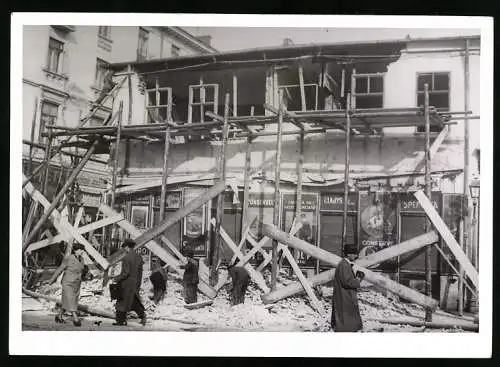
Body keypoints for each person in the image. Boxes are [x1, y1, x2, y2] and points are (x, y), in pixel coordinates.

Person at [46, 243, 87, 327]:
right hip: (67, 283)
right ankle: (75, 319)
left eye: (82, 250)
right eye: (80, 250)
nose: (82, 252)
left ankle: (59, 316)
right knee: (70, 299)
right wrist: (51, 281)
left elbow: (82, 270)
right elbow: (60, 269)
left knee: (68, 300)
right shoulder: (68, 258)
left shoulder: (82, 259)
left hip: (77, 283)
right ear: (75, 250)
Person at [111, 239, 147, 326]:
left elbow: (125, 273)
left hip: (126, 284)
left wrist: (116, 278)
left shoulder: (126, 258)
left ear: (127, 247)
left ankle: (120, 321)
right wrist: (138, 283)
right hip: (135, 283)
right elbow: (140, 272)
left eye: (124, 247)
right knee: (134, 302)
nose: (124, 249)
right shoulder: (139, 257)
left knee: (121, 302)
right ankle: (143, 316)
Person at [331, 246, 365, 332]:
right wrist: (358, 280)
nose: (356, 256)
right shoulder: (344, 265)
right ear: (349, 254)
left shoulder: (343, 264)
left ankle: (345, 328)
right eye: (354, 254)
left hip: (344, 294)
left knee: (344, 314)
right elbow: (347, 282)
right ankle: (347, 330)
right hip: (345, 295)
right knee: (346, 314)